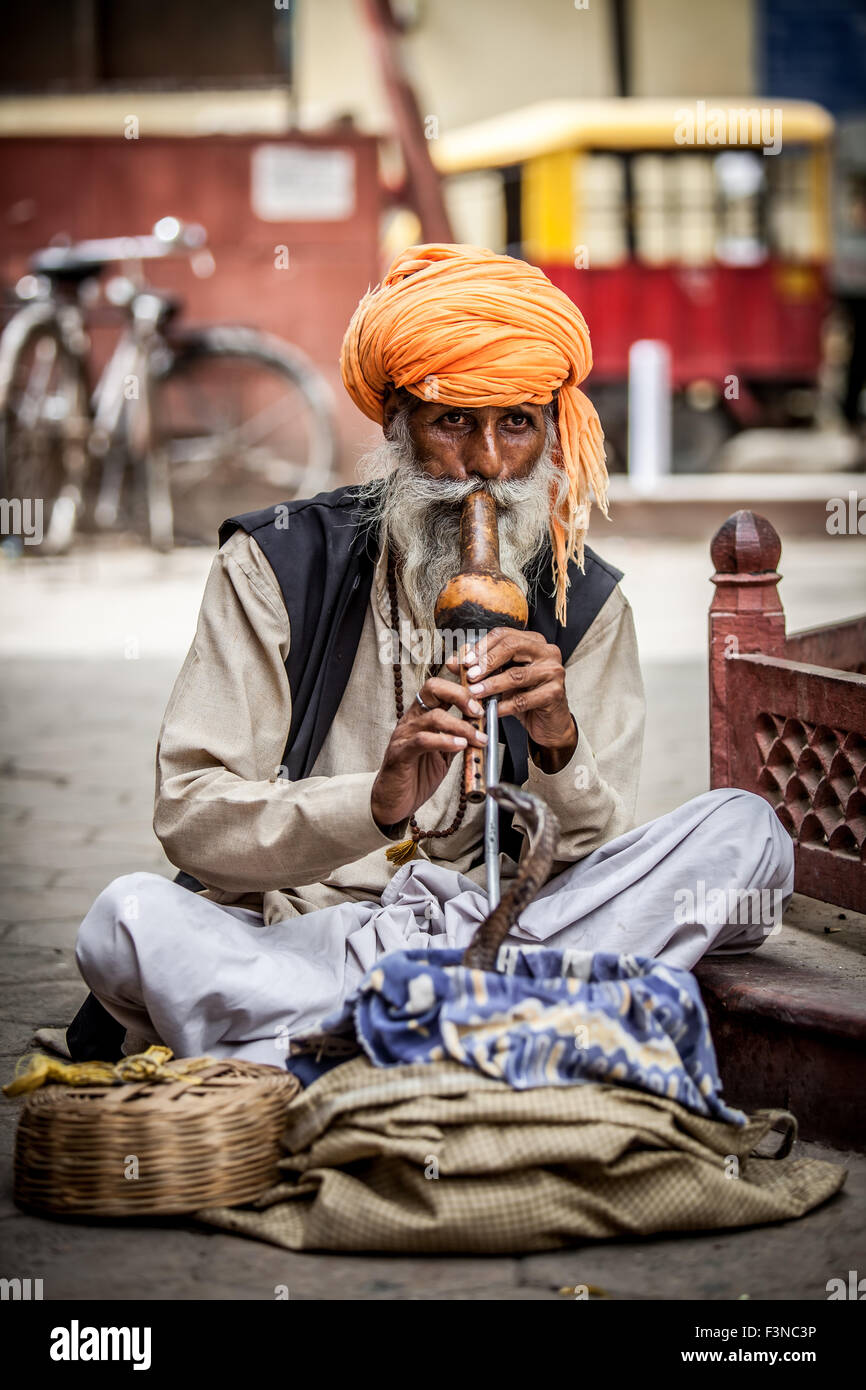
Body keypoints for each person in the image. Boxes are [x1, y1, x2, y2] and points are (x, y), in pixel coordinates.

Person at [72, 244, 793, 1067]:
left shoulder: (586, 602)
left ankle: (354, 1047)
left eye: (516, 423)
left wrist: (557, 743)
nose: (485, 462)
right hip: (311, 940)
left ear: (550, 432)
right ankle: (497, 1034)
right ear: (395, 425)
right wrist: (372, 805)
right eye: (454, 420)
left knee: (747, 833)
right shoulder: (274, 564)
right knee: (127, 920)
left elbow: (595, 849)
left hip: (510, 928)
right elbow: (191, 819)